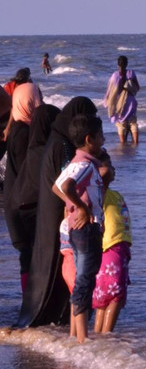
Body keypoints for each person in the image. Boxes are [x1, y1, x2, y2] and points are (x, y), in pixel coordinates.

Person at [17, 97, 99, 329]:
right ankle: (63, 317)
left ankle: (62, 317)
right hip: (60, 214)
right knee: (62, 266)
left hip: (50, 212)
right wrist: (79, 207)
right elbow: (65, 183)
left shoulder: (54, 141)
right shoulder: (62, 146)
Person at [51, 114, 106, 343]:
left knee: (82, 279)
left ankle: (76, 333)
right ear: (89, 139)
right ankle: (83, 338)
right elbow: (65, 186)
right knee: (85, 280)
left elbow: (56, 187)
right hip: (86, 229)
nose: (103, 140)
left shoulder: (76, 162)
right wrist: (81, 208)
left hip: (77, 230)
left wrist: (72, 206)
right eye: (100, 136)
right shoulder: (85, 165)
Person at [4, 102, 56, 294]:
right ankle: (33, 298)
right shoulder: (39, 150)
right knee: (32, 257)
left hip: (15, 208)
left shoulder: (24, 139)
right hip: (28, 211)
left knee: (26, 258)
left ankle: (30, 298)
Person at [92, 152, 132, 334]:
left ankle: (99, 335)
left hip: (120, 249)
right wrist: (98, 163)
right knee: (114, 294)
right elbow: (104, 173)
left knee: (107, 296)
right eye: (109, 165)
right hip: (109, 248)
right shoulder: (99, 192)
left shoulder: (114, 194)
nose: (112, 169)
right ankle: (106, 335)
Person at [104, 55, 140, 144]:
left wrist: (107, 100)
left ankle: (123, 143)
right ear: (127, 63)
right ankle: (136, 142)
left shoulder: (115, 75)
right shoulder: (131, 73)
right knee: (133, 122)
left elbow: (110, 90)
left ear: (118, 64)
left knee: (121, 123)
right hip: (131, 101)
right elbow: (137, 87)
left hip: (119, 102)